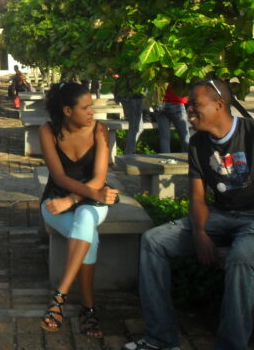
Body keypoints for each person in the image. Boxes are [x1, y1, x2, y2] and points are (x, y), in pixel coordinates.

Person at [124, 80, 254, 350]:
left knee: (241, 256)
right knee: (154, 241)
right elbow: (197, 197)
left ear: (219, 105)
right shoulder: (197, 143)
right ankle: (161, 338)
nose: (188, 109)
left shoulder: (250, 134)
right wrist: (199, 232)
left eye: (195, 104)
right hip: (220, 215)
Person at [38, 82, 118, 338]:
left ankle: (59, 298)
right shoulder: (48, 131)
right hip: (54, 202)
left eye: (91, 107)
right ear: (68, 111)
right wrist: (67, 200)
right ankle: (88, 309)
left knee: (84, 216)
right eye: (85, 108)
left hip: (89, 201)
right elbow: (59, 178)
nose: (91, 112)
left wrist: (71, 201)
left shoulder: (100, 131)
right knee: (89, 237)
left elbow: (98, 177)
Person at [113, 71, 145, 155]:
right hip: (132, 97)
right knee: (134, 127)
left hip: (131, 97)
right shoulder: (131, 67)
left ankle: (130, 151)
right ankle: (129, 153)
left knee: (139, 128)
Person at [154, 83, 190, 153]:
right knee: (185, 135)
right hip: (176, 102)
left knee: (164, 137)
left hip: (160, 103)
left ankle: (167, 161)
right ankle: (192, 159)